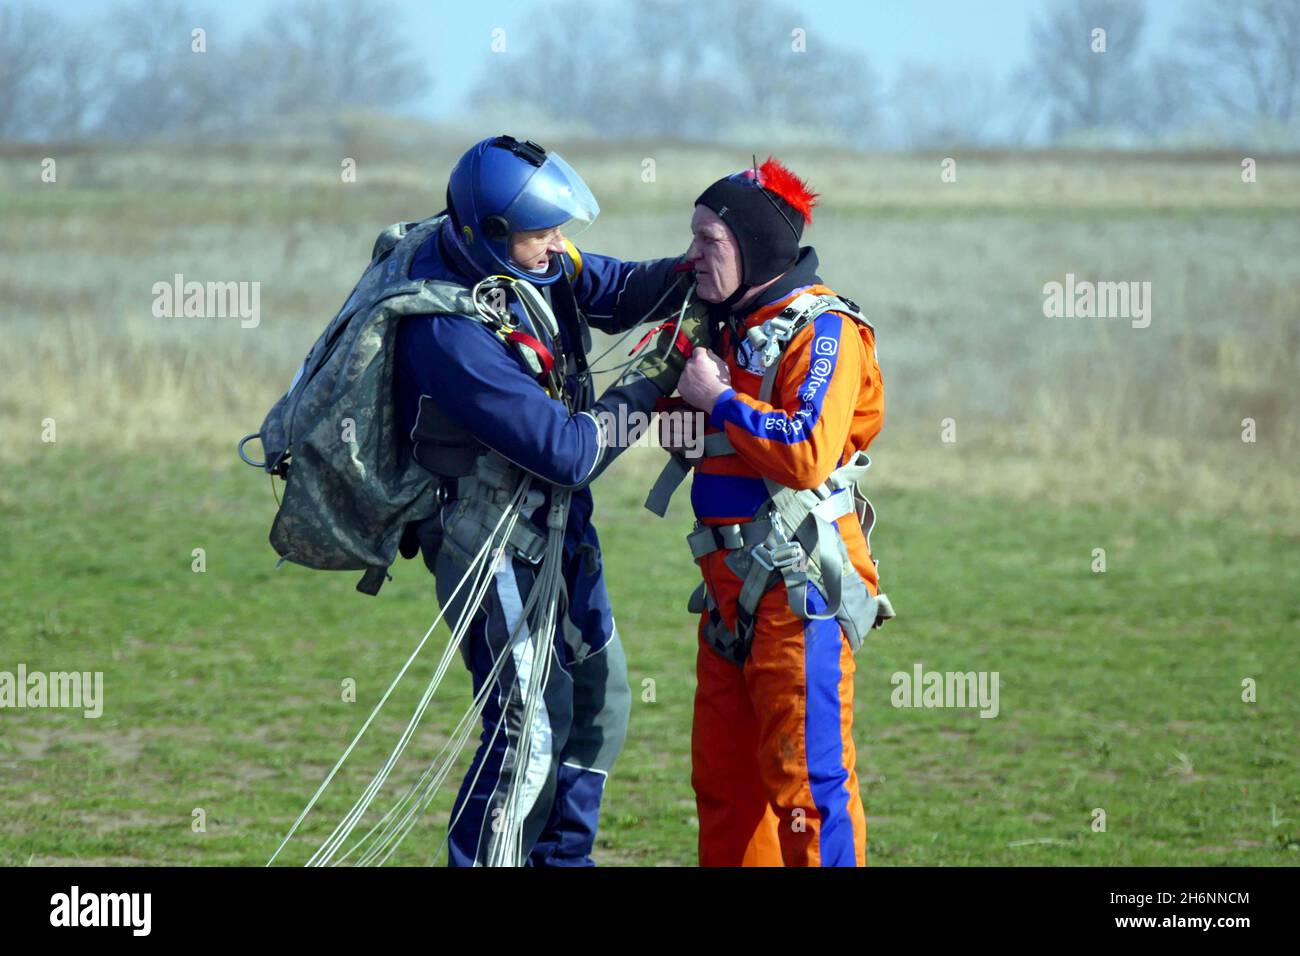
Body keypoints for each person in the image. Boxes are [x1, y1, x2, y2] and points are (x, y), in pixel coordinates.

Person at [393, 135, 705, 866]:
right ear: (496, 233)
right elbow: (569, 453)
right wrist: (657, 379)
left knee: (599, 702)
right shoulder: (448, 331)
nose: (560, 247)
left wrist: (694, 272)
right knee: (527, 727)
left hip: (558, 530)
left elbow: (615, 289)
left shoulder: (520, 260)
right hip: (488, 543)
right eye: (545, 234)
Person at [657, 157, 893, 867]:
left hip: (801, 593)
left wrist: (721, 399)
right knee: (726, 791)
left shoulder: (824, 333)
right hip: (727, 595)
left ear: (755, 248)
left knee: (807, 791)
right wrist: (677, 390)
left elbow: (806, 451)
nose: (691, 256)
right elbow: (684, 445)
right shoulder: (719, 328)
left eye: (710, 241)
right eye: (692, 237)